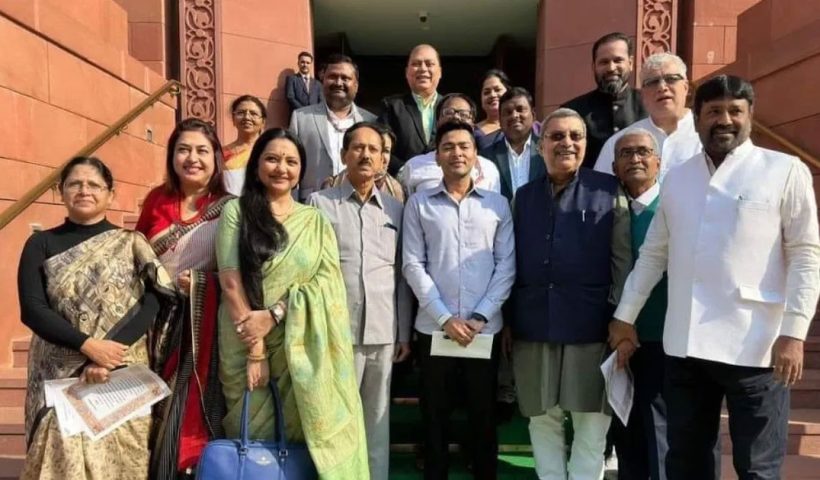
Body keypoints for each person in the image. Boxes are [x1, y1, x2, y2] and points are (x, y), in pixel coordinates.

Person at [609, 75, 820, 480]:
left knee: (757, 466)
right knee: (685, 460)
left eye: (734, 111)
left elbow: (805, 255)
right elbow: (655, 253)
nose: (724, 120)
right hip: (686, 346)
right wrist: (626, 314)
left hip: (757, 346)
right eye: (714, 112)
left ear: (750, 116)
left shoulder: (784, 170)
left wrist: (794, 333)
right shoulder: (678, 176)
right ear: (698, 118)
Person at [216, 128, 368, 478]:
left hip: (301, 344)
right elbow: (230, 280)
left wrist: (276, 314)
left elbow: (327, 282)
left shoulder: (314, 220)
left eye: (291, 161)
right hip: (243, 341)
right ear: (256, 166)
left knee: (301, 430)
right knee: (249, 429)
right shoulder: (236, 212)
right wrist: (256, 350)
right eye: (271, 158)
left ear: (301, 170)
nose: (281, 168)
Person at [18, 156, 174, 479]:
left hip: (120, 371)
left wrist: (109, 353)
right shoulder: (40, 243)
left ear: (111, 194)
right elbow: (33, 309)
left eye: (94, 185)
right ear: (60, 191)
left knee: (123, 464)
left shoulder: (132, 243)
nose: (84, 190)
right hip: (60, 373)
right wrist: (88, 346)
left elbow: (155, 297)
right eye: (75, 184)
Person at [509, 108, 631, 480]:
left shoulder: (608, 191)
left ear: (585, 144)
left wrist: (621, 321)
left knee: (591, 423)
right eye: (557, 137)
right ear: (540, 145)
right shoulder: (523, 196)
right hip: (534, 324)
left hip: (592, 327)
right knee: (541, 420)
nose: (566, 144)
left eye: (575, 137)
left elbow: (622, 263)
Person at [403, 121, 516, 480]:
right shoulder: (419, 204)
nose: (457, 153)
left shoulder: (498, 205)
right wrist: (444, 317)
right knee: (434, 415)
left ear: (476, 155)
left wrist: (481, 316)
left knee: (483, 413)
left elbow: (507, 266)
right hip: (434, 330)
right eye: (448, 146)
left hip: (484, 331)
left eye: (464, 146)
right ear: (436, 156)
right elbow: (412, 264)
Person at [309, 122, 413, 480]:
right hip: (338, 331)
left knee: (377, 417)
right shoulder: (319, 205)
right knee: (338, 418)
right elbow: (312, 272)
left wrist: (403, 333)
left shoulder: (397, 210)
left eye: (375, 149)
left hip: (383, 330)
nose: (366, 154)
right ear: (343, 155)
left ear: (384, 159)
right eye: (358, 148)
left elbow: (401, 273)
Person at [136, 118, 232, 478]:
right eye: (184, 149)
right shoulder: (156, 201)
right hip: (153, 322)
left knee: (187, 407)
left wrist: (206, 283)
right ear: (172, 155)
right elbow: (136, 260)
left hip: (200, 327)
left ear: (217, 158)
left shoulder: (229, 208)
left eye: (202, 150)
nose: (192, 158)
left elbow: (245, 275)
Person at [608, 129, 669, 480]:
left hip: (661, 338)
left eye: (643, 152)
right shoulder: (611, 211)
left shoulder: (671, 209)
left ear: (658, 162)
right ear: (615, 166)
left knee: (659, 431)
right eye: (626, 154)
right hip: (617, 342)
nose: (635, 159)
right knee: (625, 430)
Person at [594, 53, 700, 182]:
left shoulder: (707, 135)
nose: (662, 87)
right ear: (643, 94)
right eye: (653, 82)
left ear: (685, 87)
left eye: (671, 79)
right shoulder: (620, 142)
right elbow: (598, 195)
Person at [290, 54, 377, 201]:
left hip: (358, 204)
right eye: (332, 76)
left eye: (345, 78)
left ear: (356, 85)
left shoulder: (370, 121)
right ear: (322, 80)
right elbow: (291, 164)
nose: (338, 82)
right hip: (311, 205)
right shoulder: (301, 118)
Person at [562, 32, 647, 168]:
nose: (611, 68)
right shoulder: (573, 111)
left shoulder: (649, 104)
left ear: (630, 63)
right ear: (593, 67)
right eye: (604, 62)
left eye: (618, 60)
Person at [397, 93, 501, 195]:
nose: (456, 117)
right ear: (437, 122)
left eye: (464, 114)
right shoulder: (413, 166)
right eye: (449, 112)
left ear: (473, 125)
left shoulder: (489, 169)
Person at [379, 44, 444, 172]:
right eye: (416, 64)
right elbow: (380, 146)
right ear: (407, 72)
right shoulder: (392, 106)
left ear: (440, 72)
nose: (423, 69)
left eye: (429, 64)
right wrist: (404, 171)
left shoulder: (451, 106)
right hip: (402, 183)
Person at [480, 87, 546, 201]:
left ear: (534, 115)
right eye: (508, 112)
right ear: (500, 120)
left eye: (520, 109)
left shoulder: (547, 150)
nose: (514, 115)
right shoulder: (486, 156)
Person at [320, 123, 406, 203]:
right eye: (373, 149)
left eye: (386, 151)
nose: (381, 156)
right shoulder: (332, 185)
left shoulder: (396, 190)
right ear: (344, 155)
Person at [222, 95, 266, 195]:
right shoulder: (221, 153)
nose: (247, 117)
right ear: (233, 119)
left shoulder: (268, 151)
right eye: (241, 113)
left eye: (253, 113)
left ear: (263, 122)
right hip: (228, 206)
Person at [475, 69, 511, 150]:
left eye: (497, 90)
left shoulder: (522, 126)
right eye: (487, 92)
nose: (492, 95)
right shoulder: (472, 132)